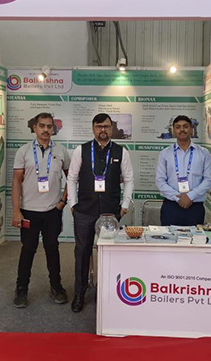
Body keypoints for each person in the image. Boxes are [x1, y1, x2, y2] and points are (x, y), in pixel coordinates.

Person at [67, 113, 134, 312]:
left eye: (106, 126)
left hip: (110, 213)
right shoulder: (81, 150)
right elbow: (72, 178)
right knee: (82, 252)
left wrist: (124, 205)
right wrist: (73, 204)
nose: (102, 130)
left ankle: (107, 293)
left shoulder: (121, 151)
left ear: (111, 128)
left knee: (109, 253)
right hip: (84, 211)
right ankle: (79, 294)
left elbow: (129, 179)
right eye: (99, 126)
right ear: (93, 128)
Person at [11, 112, 70, 308]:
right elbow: (16, 182)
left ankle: (56, 287)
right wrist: (16, 211)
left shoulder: (61, 151)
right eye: (42, 126)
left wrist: (62, 202)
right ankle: (21, 289)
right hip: (29, 211)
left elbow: (71, 179)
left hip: (52, 211)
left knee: (52, 249)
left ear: (53, 129)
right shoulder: (23, 152)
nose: (46, 129)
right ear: (34, 127)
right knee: (28, 250)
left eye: (49, 126)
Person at [156, 115, 211, 226]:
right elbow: (160, 181)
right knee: (168, 237)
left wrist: (190, 196)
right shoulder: (165, 153)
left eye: (185, 126)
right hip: (171, 207)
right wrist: (179, 198)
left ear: (191, 129)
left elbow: (208, 180)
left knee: (195, 237)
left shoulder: (203, 153)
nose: (182, 130)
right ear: (173, 130)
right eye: (178, 127)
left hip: (195, 207)